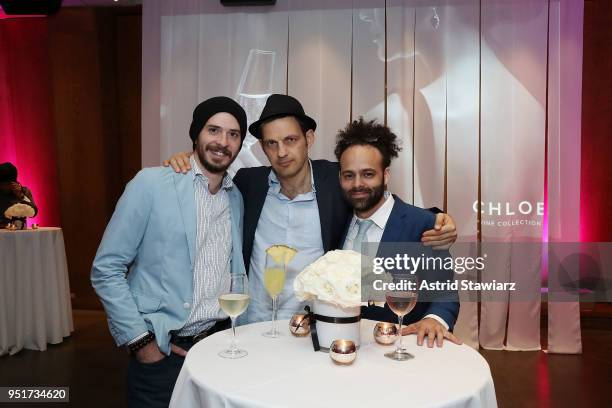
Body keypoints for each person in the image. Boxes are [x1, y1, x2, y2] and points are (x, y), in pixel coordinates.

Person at [165, 94, 458, 323]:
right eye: (271, 143)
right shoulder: (248, 183)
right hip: (248, 327)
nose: (281, 152)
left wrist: (435, 218)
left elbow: (378, 199)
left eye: (290, 140)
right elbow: (212, 185)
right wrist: (189, 160)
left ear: (309, 138)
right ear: (263, 148)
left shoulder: (337, 181)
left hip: (311, 329)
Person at [91, 97, 248, 408]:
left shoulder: (235, 197)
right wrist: (142, 343)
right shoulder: (151, 184)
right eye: (213, 130)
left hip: (216, 349)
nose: (222, 142)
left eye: (233, 134)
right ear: (196, 134)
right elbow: (106, 269)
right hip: (161, 353)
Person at [336, 117, 460, 347]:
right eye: (349, 175)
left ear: (386, 175)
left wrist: (433, 319)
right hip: (345, 345)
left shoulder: (422, 225)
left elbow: (445, 291)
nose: (357, 184)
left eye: (368, 174)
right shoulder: (336, 221)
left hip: (401, 350)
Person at [0, 162, 37, 228]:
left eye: (9, 184)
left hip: (18, 232)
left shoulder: (24, 191)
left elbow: (34, 212)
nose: (5, 187)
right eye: (3, 184)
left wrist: (21, 195)